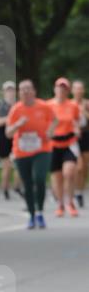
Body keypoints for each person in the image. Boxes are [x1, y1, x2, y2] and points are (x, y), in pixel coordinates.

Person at [6, 79, 55, 229]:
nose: (26, 92)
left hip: (42, 149)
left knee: (39, 178)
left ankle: (40, 211)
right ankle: (32, 215)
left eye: (28, 89)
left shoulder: (44, 106)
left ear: (34, 91)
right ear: (19, 93)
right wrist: (17, 124)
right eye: (22, 90)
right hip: (22, 150)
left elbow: (55, 120)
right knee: (27, 183)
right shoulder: (16, 109)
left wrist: (50, 132)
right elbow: (8, 133)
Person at [47, 77, 81, 218]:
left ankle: (70, 202)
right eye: (59, 87)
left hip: (69, 142)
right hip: (53, 143)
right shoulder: (48, 105)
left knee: (70, 172)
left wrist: (77, 129)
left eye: (64, 88)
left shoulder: (73, 106)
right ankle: (60, 204)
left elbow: (77, 122)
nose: (61, 90)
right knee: (57, 176)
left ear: (68, 91)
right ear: (55, 89)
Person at [0, 81, 20, 200]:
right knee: (7, 166)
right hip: (4, 139)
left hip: (17, 138)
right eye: (8, 90)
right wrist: (11, 118)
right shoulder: (0, 106)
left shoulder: (19, 105)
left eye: (12, 90)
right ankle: (4, 189)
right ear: (4, 92)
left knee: (19, 165)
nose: (10, 92)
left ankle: (17, 187)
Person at [71, 79, 89, 207]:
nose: (78, 91)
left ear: (83, 90)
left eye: (80, 88)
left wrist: (84, 112)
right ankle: (73, 191)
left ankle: (80, 192)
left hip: (86, 135)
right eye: (76, 88)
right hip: (72, 136)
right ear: (72, 90)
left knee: (85, 167)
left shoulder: (87, 104)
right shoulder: (69, 104)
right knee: (78, 166)